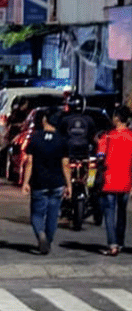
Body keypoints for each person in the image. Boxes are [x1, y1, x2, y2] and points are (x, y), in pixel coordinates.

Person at [22, 109, 71, 255]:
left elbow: (29, 162)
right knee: (53, 214)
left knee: (37, 214)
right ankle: (48, 241)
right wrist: (68, 184)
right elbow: (66, 165)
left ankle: (40, 235)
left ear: (44, 120)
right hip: (56, 183)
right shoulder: (62, 140)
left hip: (39, 183)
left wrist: (26, 182)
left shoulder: (35, 138)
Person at [95, 105, 132, 256]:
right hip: (125, 181)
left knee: (109, 213)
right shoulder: (131, 137)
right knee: (122, 213)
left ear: (116, 118)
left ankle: (113, 245)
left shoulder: (107, 136)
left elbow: (100, 156)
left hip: (109, 180)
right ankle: (121, 242)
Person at [57, 93, 97, 161]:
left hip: (68, 151)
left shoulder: (64, 119)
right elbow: (93, 136)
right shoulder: (89, 119)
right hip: (85, 151)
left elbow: (59, 135)